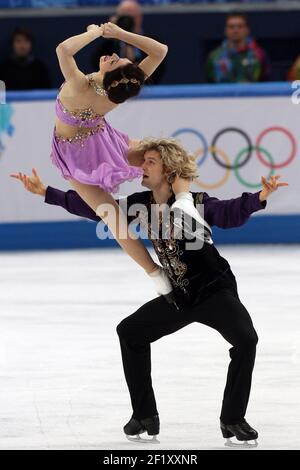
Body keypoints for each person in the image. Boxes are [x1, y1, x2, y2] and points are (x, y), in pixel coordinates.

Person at [11, 138, 288, 446]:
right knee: (130, 332)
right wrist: (47, 193)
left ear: (169, 170)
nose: (142, 166)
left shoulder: (196, 203)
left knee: (246, 340)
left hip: (214, 290)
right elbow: (101, 209)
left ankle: (233, 419)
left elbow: (228, 213)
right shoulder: (141, 204)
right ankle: (145, 416)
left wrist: (260, 196)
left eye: (151, 161)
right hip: (178, 296)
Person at [51, 21, 175, 299]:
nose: (112, 56)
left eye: (115, 61)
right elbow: (160, 52)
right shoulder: (119, 90)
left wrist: (95, 32)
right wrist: (118, 33)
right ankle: (174, 210)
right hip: (103, 141)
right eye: (117, 57)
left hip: (77, 155)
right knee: (159, 155)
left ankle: (157, 273)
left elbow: (63, 49)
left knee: (113, 218)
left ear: (112, 76)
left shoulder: (80, 84)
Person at [206, 12, 271, 84]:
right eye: (231, 27)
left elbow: (265, 81)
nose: (235, 30)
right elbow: (210, 83)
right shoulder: (215, 56)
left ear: (247, 30)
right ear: (225, 31)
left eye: (240, 26)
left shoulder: (259, 54)